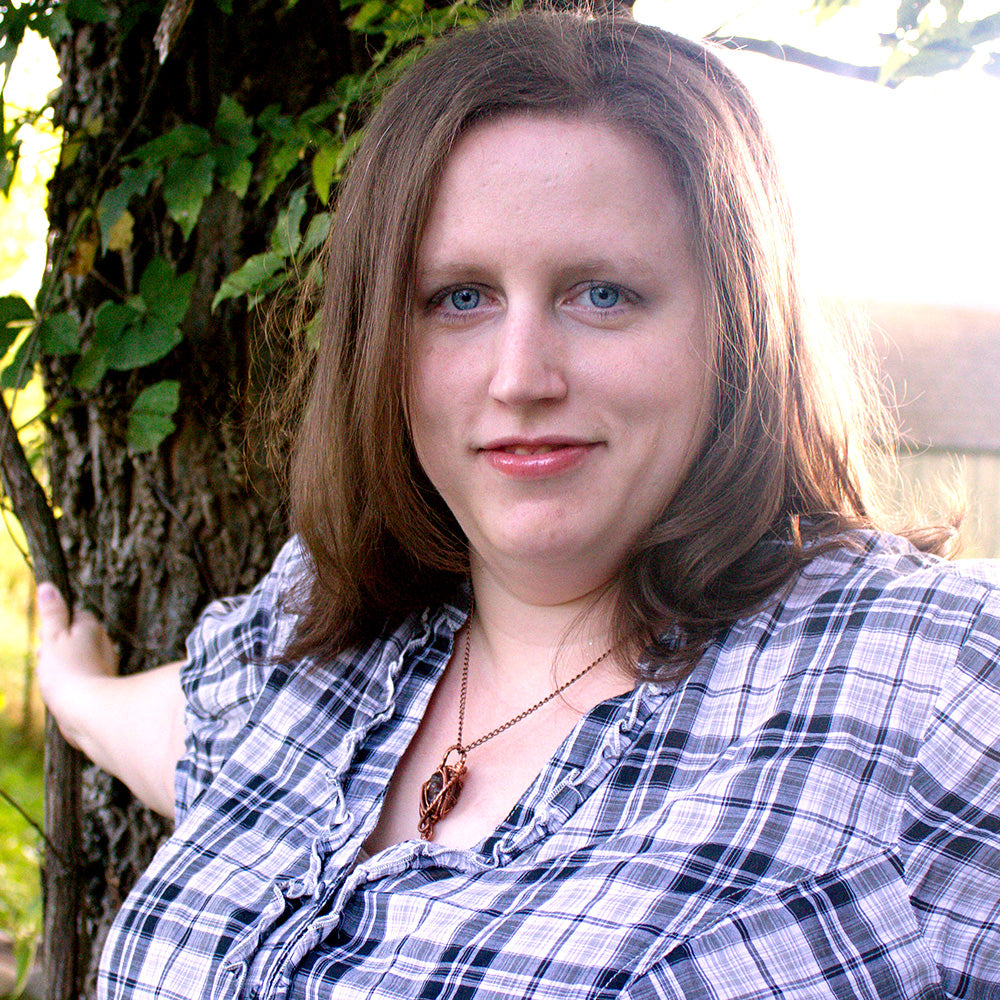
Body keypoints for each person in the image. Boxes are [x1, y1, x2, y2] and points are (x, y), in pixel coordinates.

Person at [36, 7, 1000, 1000]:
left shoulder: (933, 689)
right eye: (460, 297)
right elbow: (168, 735)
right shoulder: (314, 643)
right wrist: (69, 686)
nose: (520, 377)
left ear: (739, 327)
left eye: (601, 293)